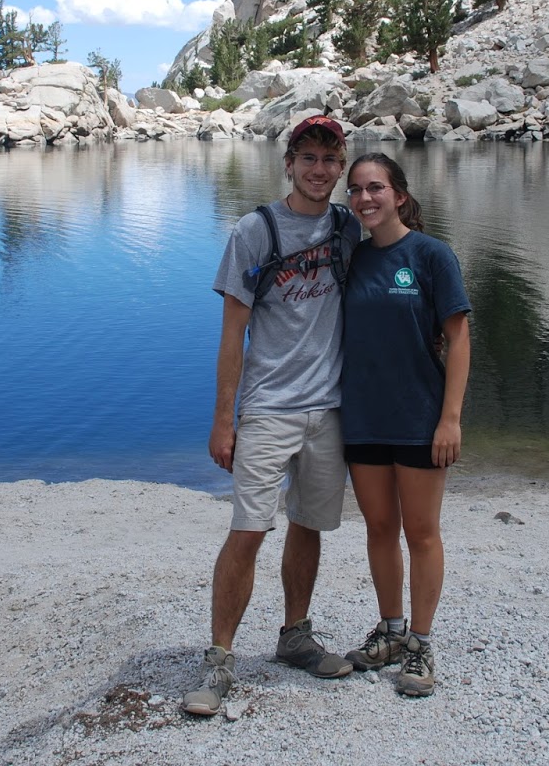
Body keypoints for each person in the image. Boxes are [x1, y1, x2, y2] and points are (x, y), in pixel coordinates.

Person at [181, 115, 363, 716]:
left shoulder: (347, 228)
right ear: (289, 163)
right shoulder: (254, 231)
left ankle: (295, 637)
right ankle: (220, 658)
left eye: (330, 159)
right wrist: (223, 420)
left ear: (341, 167)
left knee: (308, 524)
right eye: (308, 157)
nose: (319, 170)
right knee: (249, 530)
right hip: (267, 408)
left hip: (329, 407)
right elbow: (232, 333)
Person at [338, 153, 471, 698]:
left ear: (399, 194)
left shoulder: (431, 255)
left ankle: (420, 641)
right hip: (363, 417)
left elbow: (458, 339)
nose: (365, 199)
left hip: (419, 417)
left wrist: (451, 419)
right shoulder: (352, 258)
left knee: (421, 532)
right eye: (356, 191)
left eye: (375, 188)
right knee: (377, 529)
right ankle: (390, 629)